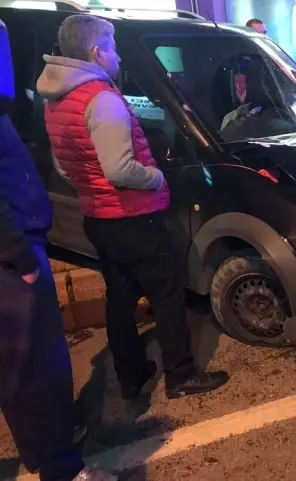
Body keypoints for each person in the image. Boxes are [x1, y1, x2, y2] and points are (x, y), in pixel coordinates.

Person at [36, 15, 229, 401]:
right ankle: (181, 375)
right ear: (97, 52)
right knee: (168, 291)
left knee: (120, 296)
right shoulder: (102, 100)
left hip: (99, 216)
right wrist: (157, 178)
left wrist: (92, 189)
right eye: (114, 48)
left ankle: (131, 376)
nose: (119, 58)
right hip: (132, 216)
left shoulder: (57, 99)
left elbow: (64, 165)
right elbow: (120, 168)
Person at [0, 19, 116, 481]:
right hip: (12, 254)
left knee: (21, 369)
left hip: (15, 245)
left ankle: (44, 446)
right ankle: (61, 469)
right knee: (36, 370)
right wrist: (19, 254)